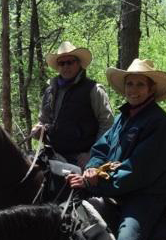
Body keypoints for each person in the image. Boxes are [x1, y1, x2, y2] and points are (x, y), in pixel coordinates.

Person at [66, 58, 166, 240]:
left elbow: (138, 170)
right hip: (115, 186)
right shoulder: (123, 117)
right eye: (129, 84)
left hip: (146, 194)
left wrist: (95, 182)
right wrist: (91, 169)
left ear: (151, 89)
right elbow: (101, 147)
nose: (133, 90)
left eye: (140, 84)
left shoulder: (160, 123)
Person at [31, 41, 113, 169]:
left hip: (81, 159)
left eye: (70, 62)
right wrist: (38, 129)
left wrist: (92, 154)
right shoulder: (50, 91)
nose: (65, 66)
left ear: (79, 64)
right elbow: (43, 120)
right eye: (61, 63)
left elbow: (107, 126)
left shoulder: (94, 90)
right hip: (52, 154)